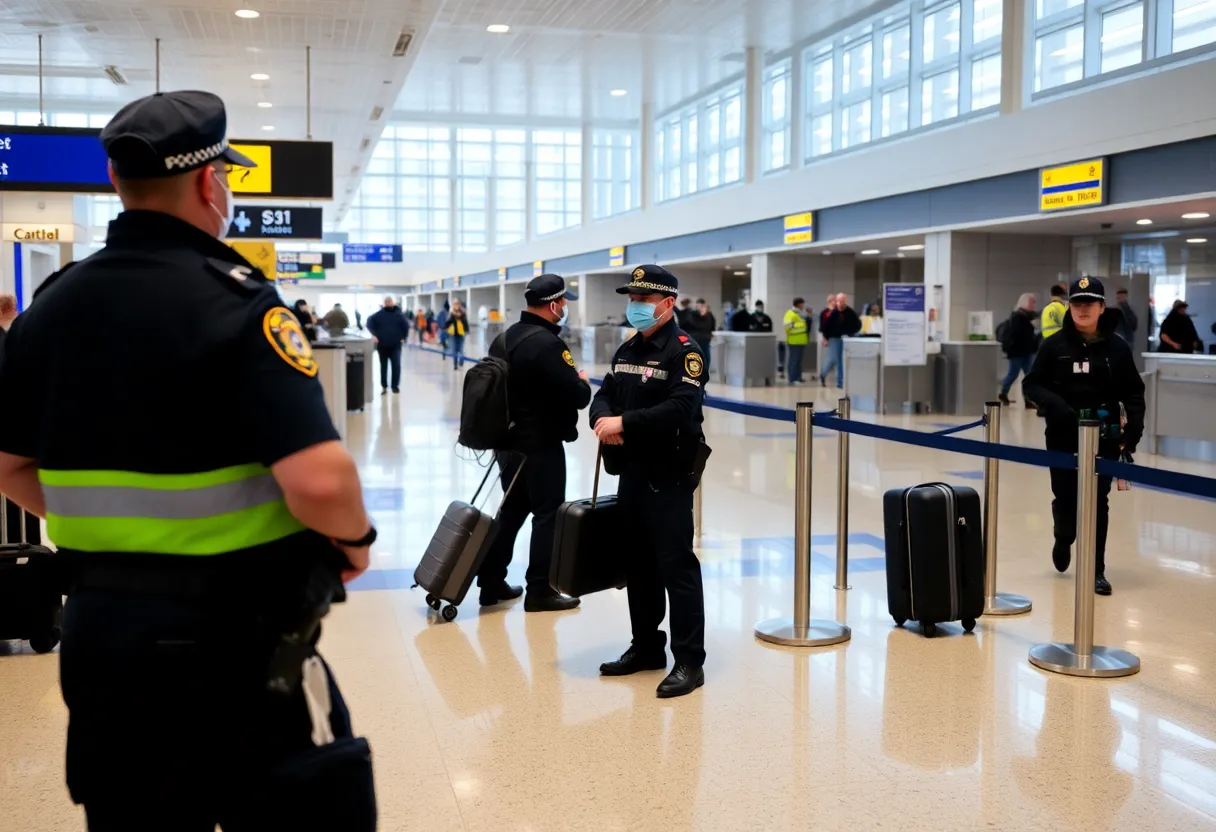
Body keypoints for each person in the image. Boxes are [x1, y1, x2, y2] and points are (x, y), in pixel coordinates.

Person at [0, 90, 376, 828]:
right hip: (239, 637)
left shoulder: (50, 308)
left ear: (116, 182)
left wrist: (116, 535)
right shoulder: (237, 304)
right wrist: (353, 543)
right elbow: (320, 477)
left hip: (102, 637)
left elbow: (10, 468)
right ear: (211, 183)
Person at [590, 265, 708, 699]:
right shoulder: (629, 347)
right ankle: (645, 647)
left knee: (675, 566)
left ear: (667, 304)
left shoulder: (684, 351)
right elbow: (605, 390)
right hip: (633, 473)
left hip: (669, 475)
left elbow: (681, 408)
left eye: (642, 300)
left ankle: (689, 661)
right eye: (632, 299)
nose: (635, 306)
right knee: (637, 565)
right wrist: (603, 418)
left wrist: (627, 422)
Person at [1023, 276, 1145, 596]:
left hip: (1103, 434)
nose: (1082, 310)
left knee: (1097, 501)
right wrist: (1056, 404)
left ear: (1102, 307)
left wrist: (1133, 430)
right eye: (1076, 304)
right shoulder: (1054, 346)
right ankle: (1063, 537)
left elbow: (1133, 391)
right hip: (1063, 434)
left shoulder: (1117, 348)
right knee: (1066, 496)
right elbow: (1032, 385)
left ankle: (1096, 569)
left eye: (1089, 304)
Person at [477, 274, 588, 613]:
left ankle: (490, 582)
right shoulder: (548, 344)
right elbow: (577, 396)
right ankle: (539, 590)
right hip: (540, 445)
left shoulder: (505, 338)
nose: (565, 308)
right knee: (547, 515)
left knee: (511, 512)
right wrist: (581, 382)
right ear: (554, 305)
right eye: (564, 303)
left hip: (507, 444)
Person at [998, 293, 1039, 407]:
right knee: (1015, 374)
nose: (1034, 305)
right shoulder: (1019, 317)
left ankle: (1027, 399)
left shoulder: (1023, 316)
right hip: (1019, 352)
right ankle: (1004, 393)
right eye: (1032, 302)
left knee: (1026, 376)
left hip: (1023, 352)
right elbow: (1021, 335)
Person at [367, 295, 409, 393]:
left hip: (396, 345)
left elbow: (406, 326)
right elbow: (369, 323)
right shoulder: (378, 315)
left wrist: (404, 337)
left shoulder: (399, 315)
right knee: (383, 366)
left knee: (396, 365)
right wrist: (374, 335)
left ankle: (395, 386)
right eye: (386, 301)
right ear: (384, 303)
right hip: (382, 345)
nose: (388, 302)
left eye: (390, 301)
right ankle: (384, 386)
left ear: (394, 302)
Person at [819, 292, 860, 388]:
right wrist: (825, 338)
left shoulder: (850, 312)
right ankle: (826, 375)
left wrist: (852, 332)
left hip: (846, 338)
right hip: (834, 338)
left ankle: (840, 381)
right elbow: (825, 326)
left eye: (843, 301)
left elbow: (857, 324)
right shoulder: (831, 313)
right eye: (839, 301)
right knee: (836, 359)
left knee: (841, 360)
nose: (840, 303)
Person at [683, 298, 716, 376]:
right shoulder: (694, 314)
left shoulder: (708, 315)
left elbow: (711, 325)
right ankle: (699, 372)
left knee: (704, 355)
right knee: (699, 355)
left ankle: (702, 371)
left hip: (702, 338)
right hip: (698, 338)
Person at [783, 297, 810, 384]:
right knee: (794, 360)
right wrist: (795, 326)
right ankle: (792, 379)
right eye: (802, 304)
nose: (803, 306)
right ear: (799, 304)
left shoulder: (802, 314)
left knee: (799, 360)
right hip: (794, 340)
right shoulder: (790, 313)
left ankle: (798, 377)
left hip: (801, 340)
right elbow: (787, 326)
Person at [445, 299, 470, 370]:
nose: (456, 306)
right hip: (453, 335)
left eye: (457, 304)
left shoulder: (463, 314)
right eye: (455, 304)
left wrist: (466, 331)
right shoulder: (451, 314)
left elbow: (465, 323)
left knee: (461, 349)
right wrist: (453, 316)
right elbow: (446, 324)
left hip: (461, 334)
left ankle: (461, 361)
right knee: (454, 350)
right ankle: (455, 365)